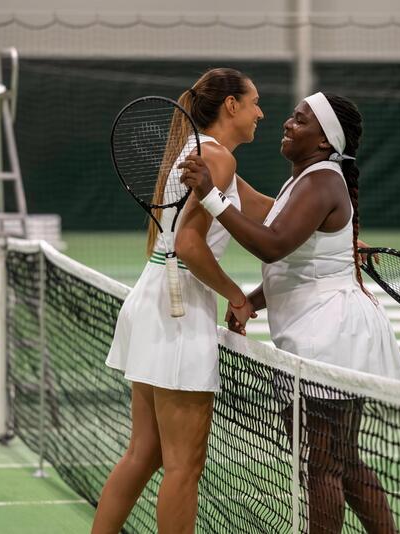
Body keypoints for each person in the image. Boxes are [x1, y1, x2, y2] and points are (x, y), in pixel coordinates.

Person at [179, 92, 400, 534]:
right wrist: (250, 302)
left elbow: (273, 244)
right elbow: (294, 268)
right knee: (341, 460)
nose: (286, 123)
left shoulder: (321, 181)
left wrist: (212, 198)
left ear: (324, 141)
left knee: (321, 466)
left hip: (334, 338)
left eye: (300, 121)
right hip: (324, 333)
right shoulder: (305, 178)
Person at [93, 67, 265, 534]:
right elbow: (190, 246)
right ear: (231, 105)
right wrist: (237, 297)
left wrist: (342, 230)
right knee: (183, 468)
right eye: (253, 103)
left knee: (143, 454)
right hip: (179, 309)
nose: (260, 113)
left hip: (151, 300)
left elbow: (271, 211)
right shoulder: (218, 160)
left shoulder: (199, 154)